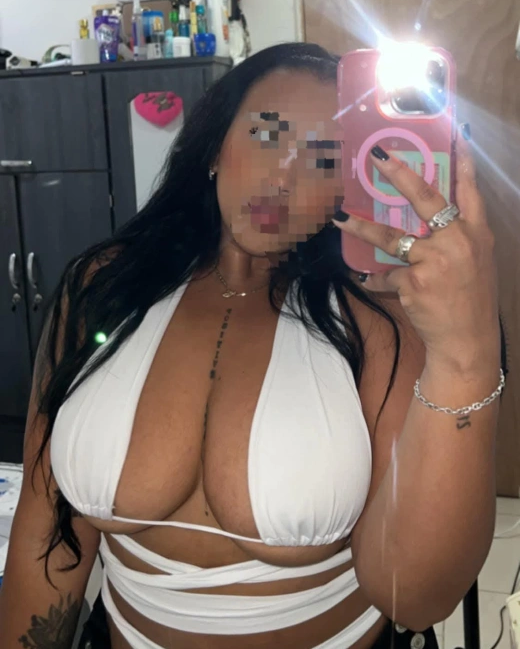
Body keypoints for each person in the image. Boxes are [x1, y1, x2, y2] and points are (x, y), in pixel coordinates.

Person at [0, 43, 506, 649]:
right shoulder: (104, 287)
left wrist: (466, 353)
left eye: (324, 158)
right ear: (216, 146)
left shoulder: (376, 317)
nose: (284, 178)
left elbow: (415, 598)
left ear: (346, 185)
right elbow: (47, 538)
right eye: (268, 134)